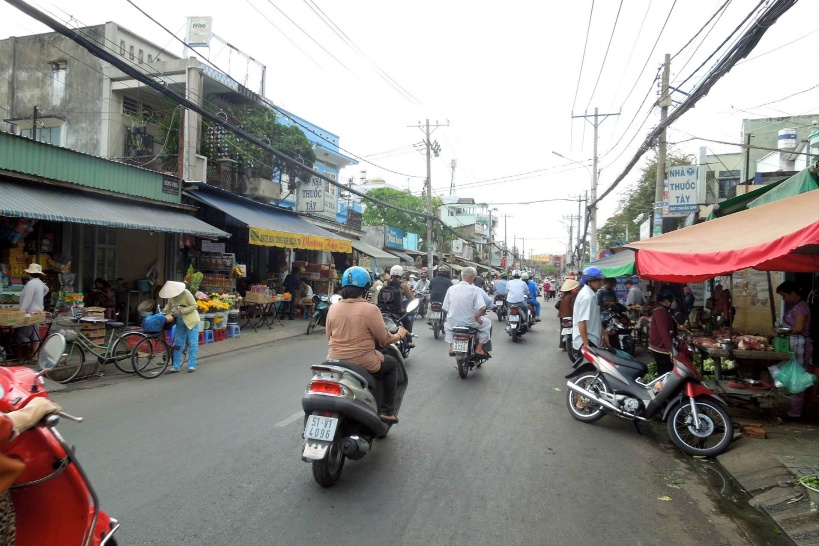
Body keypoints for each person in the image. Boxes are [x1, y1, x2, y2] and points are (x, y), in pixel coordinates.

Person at [326, 266, 407, 423]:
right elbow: (384, 339)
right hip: (362, 360)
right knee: (391, 364)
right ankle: (386, 411)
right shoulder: (370, 309)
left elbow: (328, 337)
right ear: (365, 288)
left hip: (334, 359)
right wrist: (399, 335)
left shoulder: (333, 308)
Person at [776, 281, 813, 419]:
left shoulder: (801, 306)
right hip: (795, 344)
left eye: (784, 296)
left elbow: (798, 328)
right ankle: (797, 409)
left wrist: (783, 332)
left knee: (798, 377)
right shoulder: (795, 306)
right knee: (794, 375)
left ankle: (796, 412)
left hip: (801, 345)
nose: (784, 299)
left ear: (792, 293)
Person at [443, 267, 491, 355]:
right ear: (473, 277)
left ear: (461, 276)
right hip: (470, 322)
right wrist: (477, 318)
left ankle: (452, 345)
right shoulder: (475, 289)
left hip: (453, 322)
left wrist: (452, 316)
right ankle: (479, 348)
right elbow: (483, 308)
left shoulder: (451, 289)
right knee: (487, 323)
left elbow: (445, 308)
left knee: (447, 325)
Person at [160, 280, 200, 373]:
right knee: (178, 344)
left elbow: (194, 306)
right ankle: (176, 366)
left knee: (192, 343)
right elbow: (168, 306)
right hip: (180, 321)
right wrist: (162, 313)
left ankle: (192, 365)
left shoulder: (186, 293)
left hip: (192, 321)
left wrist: (182, 311)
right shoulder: (171, 297)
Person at [16, 264, 49, 361]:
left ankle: (31, 353)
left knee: (21, 335)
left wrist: (21, 313)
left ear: (29, 273)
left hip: (29, 313)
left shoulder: (31, 284)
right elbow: (47, 289)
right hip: (38, 312)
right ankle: (35, 356)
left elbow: (27, 300)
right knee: (34, 335)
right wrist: (39, 298)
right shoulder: (39, 282)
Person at [377, 265, 415, 347]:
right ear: (401, 274)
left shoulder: (385, 283)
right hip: (397, 311)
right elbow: (411, 299)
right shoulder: (403, 286)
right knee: (407, 322)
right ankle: (408, 340)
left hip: (383, 310)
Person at [572, 267, 609, 352]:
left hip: (591, 340)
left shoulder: (591, 294)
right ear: (589, 282)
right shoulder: (587, 297)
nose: (600, 283)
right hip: (587, 341)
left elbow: (595, 318)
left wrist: (604, 334)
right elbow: (581, 321)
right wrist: (586, 344)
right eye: (598, 280)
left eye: (600, 280)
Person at [649, 287, 677, 376]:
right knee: (665, 374)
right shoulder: (660, 311)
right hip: (661, 349)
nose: (672, 302)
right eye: (671, 299)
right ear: (666, 299)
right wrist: (671, 349)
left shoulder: (662, 310)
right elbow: (664, 331)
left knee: (664, 372)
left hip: (660, 347)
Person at [557, 279, 579, 350]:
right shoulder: (572, 295)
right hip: (569, 314)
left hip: (562, 314)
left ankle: (562, 345)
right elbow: (573, 306)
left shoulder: (563, 295)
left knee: (562, 329)